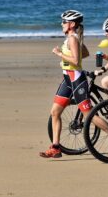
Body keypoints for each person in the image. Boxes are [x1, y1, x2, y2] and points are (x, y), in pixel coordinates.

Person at [39, 10, 91, 158]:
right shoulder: (72, 38)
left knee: (89, 115)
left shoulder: (72, 39)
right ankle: (56, 147)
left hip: (77, 79)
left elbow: (75, 61)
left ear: (72, 24)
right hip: (67, 80)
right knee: (55, 112)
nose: (61, 24)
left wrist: (59, 53)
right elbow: (85, 53)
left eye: (64, 22)